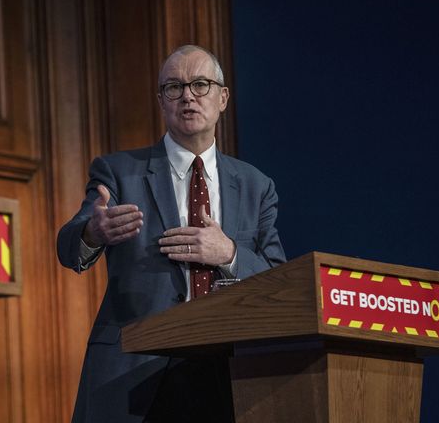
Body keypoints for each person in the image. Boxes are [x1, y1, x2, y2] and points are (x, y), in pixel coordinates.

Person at [57, 45, 286, 423]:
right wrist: (93, 232)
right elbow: (68, 247)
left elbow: (278, 281)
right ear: (161, 101)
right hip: (134, 371)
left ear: (223, 98)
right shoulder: (118, 172)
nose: (187, 97)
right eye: (174, 88)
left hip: (224, 372)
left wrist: (229, 253)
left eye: (200, 84)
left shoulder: (255, 186)